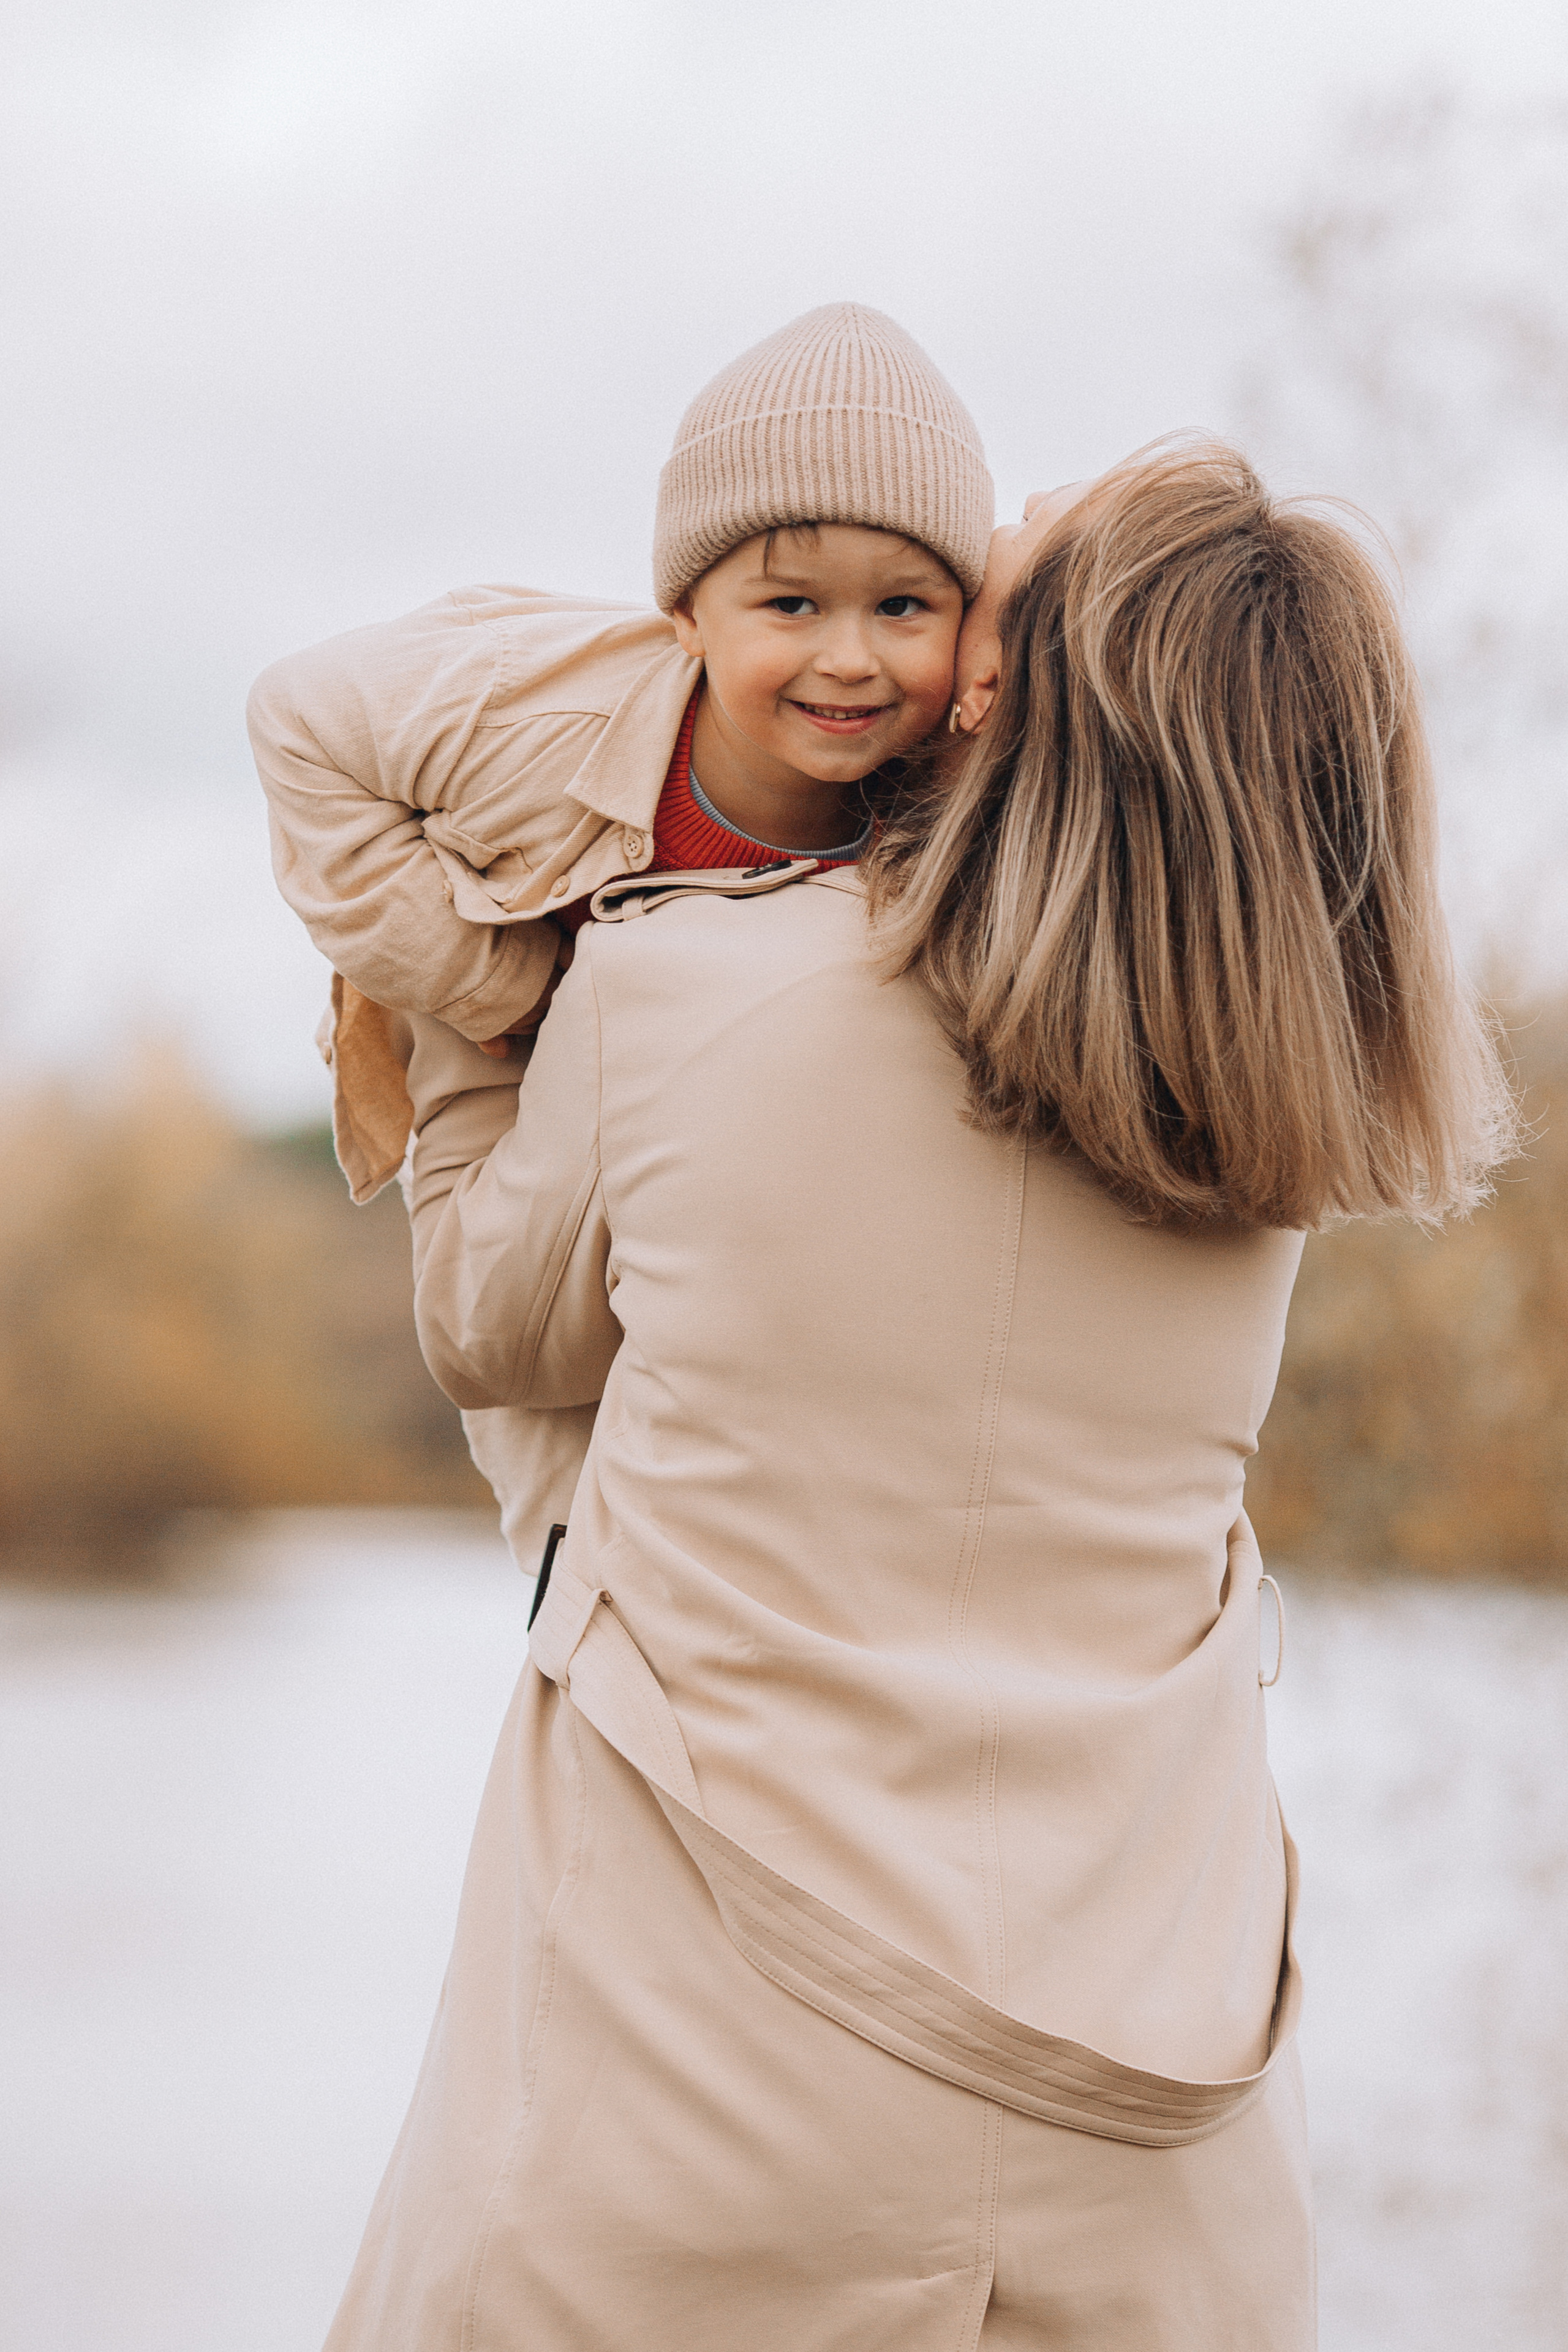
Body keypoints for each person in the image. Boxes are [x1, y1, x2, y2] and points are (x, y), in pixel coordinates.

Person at [320, 440, 1511, 2348]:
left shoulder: (685, 994)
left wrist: (473, 1026)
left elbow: (493, 1329)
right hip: (1159, 2151)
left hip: (695, 2100)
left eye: (992, 581)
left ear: (1017, 703)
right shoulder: (1268, 1144)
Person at [246, 301, 991, 1566]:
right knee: (549, 1427)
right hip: (506, 1052)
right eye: (791, 606)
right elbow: (295, 717)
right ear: (686, 616)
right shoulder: (525, 706)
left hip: (708, 1117)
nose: (851, 659)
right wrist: (499, 985)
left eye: (906, 607)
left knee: (706, 1388)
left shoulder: (949, 777)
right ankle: (566, 1593)